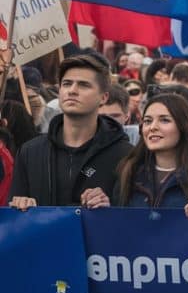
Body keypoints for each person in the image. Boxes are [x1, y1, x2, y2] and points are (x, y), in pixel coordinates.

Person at [8, 54, 133, 209]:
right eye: (67, 84)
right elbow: (14, 215)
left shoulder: (125, 155)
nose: (72, 91)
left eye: (83, 85)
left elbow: (132, 218)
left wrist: (109, 208)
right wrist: (20, 205)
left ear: (103, 97)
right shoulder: (30, 151)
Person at [114, 94, 188, 220]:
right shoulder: (129, 171)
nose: (153, 127)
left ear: (183, 126)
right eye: (147, 121)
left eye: (164, 120)